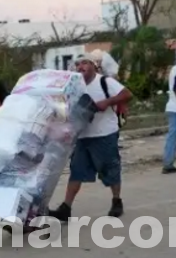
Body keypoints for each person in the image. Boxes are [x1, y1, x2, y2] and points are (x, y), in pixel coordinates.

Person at [47, 50, 133, 219]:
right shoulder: (73, 86)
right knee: (76, 171)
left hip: (105, 134)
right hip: (82, 136)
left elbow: (127, 94)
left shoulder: (105, 82)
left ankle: (117, 201)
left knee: (110, 168)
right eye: (77, 64)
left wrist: (106, 102)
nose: (80, 67)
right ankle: (66, 208)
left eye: (84, 63)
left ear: (94, 66)